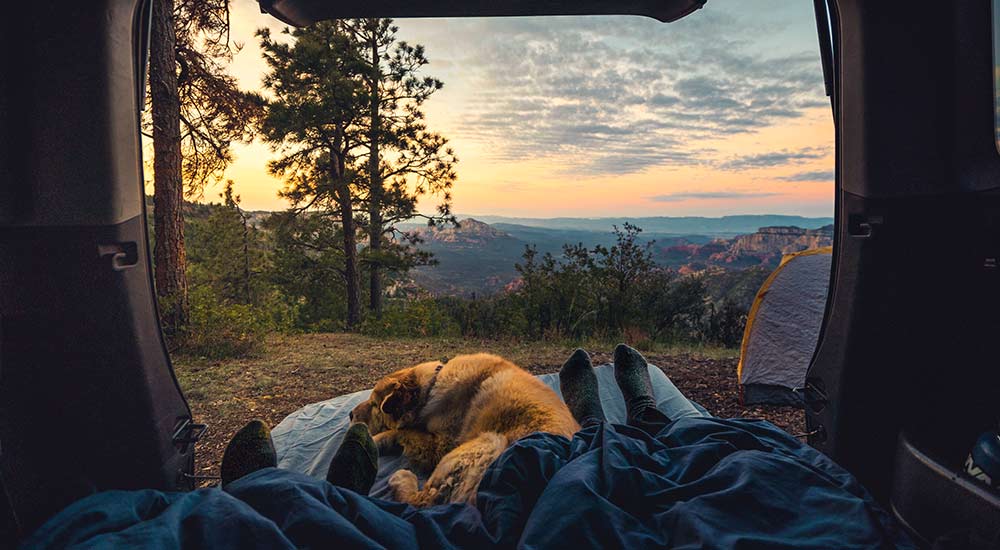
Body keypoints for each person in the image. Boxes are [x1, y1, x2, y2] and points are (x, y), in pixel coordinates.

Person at [23, 345, 914, 548]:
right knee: (680, 447)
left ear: (406, 392)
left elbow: (435, 438)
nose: (392, 418)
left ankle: (338, 480)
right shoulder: (466, 384)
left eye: (386, 413)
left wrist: (398, 435)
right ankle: (632, 417)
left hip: (503, 471)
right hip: (542, 464)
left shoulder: (434, 403)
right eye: (383, 423)